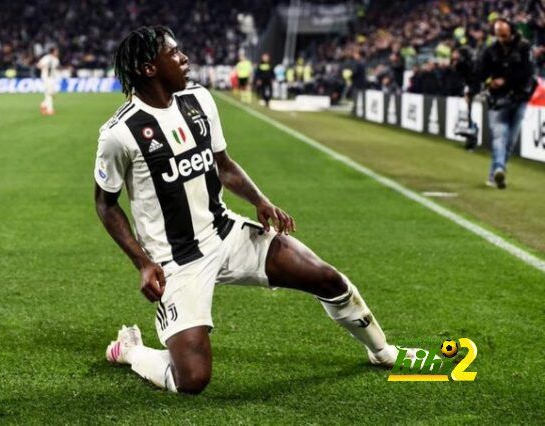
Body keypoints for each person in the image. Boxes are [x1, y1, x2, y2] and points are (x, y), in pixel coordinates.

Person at [95, 26, 414, 395]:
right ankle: (131, 351)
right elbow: (105, 204)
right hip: (177, 260)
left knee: (327, 279)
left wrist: (260, 200)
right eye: (174, 54)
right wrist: (143, 262)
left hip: (226, 232)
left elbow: (223, 164)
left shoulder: (198, 100)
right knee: (192, 380)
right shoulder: (119, 133)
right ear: (150, 68)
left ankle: (382, 351)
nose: (185, 59)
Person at [476, 19, 536, 189]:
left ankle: (494, 175)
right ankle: (499, 169)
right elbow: (481, 73)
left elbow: (528, 72)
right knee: (499, 136)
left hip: (519, 99)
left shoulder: (524, 48)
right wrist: (489, 82)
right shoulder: (490, 50)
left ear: (512, 31)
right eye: (498, 34)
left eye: (504, 34)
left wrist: (505, 81)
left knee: (510, 141)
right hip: (498, 99)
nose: (501, 38)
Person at [36, 47, 60, 115]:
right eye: (56, 51)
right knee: (49, 93)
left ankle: (43, 105)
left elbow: (55, 69)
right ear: (53, 52)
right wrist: (43, 67)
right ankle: (50, 110)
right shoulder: (47, 58)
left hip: (53, 78)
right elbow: (39, 65)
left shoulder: (56, 60)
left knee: (52, 93)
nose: (57, 52)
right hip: (46, 78)